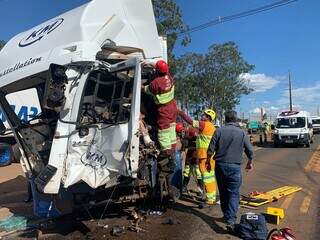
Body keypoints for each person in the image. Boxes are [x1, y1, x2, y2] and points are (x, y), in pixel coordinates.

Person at [207, 110, 254, 231]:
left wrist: (208, 162)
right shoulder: (242, 133)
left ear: (226, 119)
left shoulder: (219, 131)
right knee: (233, 193)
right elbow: (250, 150)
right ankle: (231, 219)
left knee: (223, 192)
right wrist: (250, 162)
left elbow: (210, 149)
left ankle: (226, 215)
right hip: (235, 167)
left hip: (220, 166)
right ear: (235, 119)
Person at [142, 59, 178, 199]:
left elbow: (146, 89)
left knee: (163, 132)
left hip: (163, 110)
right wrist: (149, 62)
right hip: (172, 107)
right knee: (171, 130)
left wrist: (138, 86)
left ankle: (166, 151)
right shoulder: (169, 76)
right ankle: (171, 149)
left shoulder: (156, 83)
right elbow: (159, 66)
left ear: (157, 72)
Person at [178, 109, 217, 207]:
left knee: (207, 177)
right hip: (206, 155)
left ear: (208, 117)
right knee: (209, 177)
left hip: (205, 156)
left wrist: (180, 112)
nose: (202, 116)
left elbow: (190, 121)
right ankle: (210, 197)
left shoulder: (205, 124)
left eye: (204, 115)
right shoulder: (210, 127)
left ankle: (210, 200)